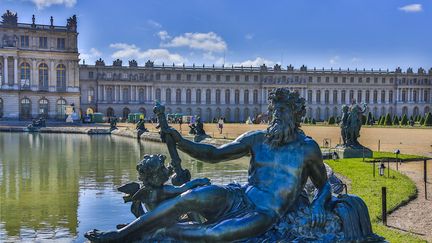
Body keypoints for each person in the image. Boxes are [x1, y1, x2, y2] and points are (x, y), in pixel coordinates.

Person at [85, 88, 372, 242]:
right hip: (240, 195)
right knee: (189, 197)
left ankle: (159, 234)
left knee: (214, 234)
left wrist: (321, 204)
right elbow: (212, 155)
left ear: (295, 115)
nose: (275, 117)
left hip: (265, 213)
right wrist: (181, 141)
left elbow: (324, 188)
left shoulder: (307, 149)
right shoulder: (258, 138)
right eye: (274, 111)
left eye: (281, 111)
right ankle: (120, 235)